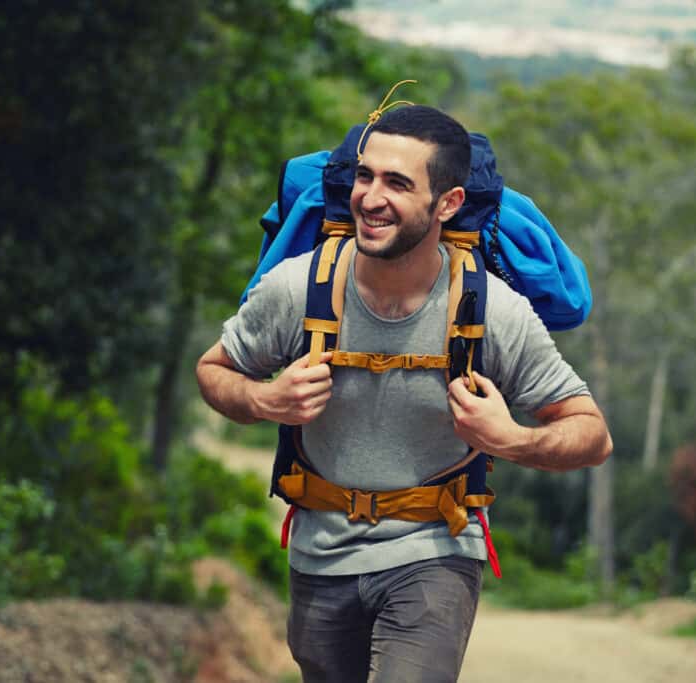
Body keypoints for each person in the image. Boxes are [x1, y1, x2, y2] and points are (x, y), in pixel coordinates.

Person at [195, 104, 613, 683]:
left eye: (397, 183)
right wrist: (265, 401)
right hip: (320, 555)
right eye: (365, 176)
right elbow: (214, 370)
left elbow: (592, 433)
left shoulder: (492, 310)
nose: (370, 197)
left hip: (436, 552)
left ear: (448, 204)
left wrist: (511, 438)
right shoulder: (299, 289)